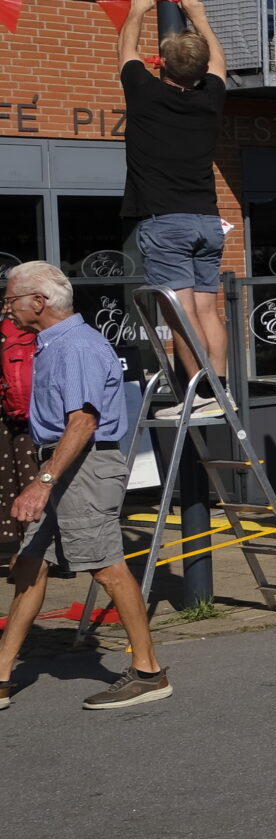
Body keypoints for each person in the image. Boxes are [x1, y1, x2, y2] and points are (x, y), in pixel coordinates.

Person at [0, 262, 169, 709]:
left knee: (106, 565)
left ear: (39, 302)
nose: (7, 307)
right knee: (29, 566)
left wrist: (41, 484)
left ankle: (148, 672)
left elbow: (83, 422)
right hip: (62, 463)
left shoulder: (76, 347)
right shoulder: (55, 343)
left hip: (83, 466)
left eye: (11, 299)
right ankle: (0, 674)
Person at [118, 0, 229, 395]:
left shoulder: (144, 92)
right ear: (199, 70)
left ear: (161, 63)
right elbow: (219, 61)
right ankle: (223, 387)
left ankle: (202, 395)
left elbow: (126, 48)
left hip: (167, 223)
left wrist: (136, 12)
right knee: (206, 310)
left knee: (181, 315)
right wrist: (199, 16)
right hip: (206, 221)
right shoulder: (211, 98)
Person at [1, 306, 37, 558]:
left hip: (7, 410)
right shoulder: (40, 328)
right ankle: (41, 543)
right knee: (32, 472)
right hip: (35, 411)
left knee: (6, 477)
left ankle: (10, 544)